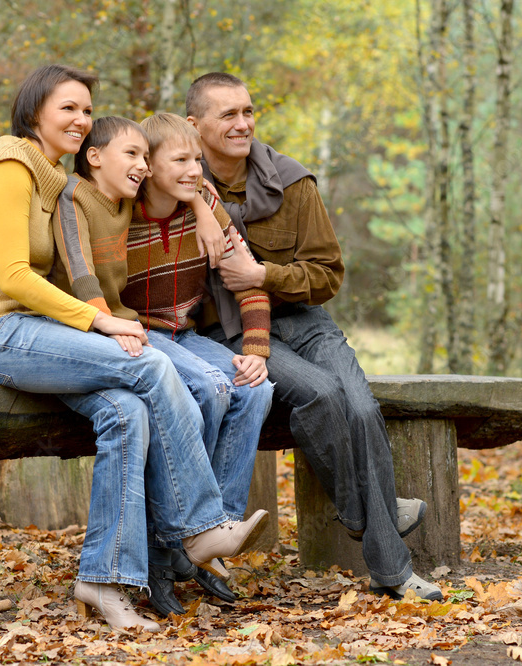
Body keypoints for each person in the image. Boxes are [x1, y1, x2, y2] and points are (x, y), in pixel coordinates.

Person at [0, 65, 267, 633]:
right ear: (34, 111)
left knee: (128, 412)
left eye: (87, 111)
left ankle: (105, 577)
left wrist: (197, 206)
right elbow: (15, 277)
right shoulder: (9, 168)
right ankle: (198, 526)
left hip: (37, 335)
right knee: (153, 363)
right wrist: (102, 322)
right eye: (67, 108)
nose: (80, 120)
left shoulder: (53, 179)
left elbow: (168, 183)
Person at [185, 72, 442, 601]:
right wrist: (197, 208)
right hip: (231, 333)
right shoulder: (176, 181)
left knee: (363, 408)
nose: (242, 124)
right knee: (321, 394)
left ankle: (367, 529)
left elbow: (328, 275)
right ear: (194, 125)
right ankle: (387, 549)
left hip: (305, 321)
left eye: (248, 112)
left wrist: (265, 276)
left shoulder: (292, 182)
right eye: (227, 115)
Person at [52, 113, 273, 617]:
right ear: (149, 168)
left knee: (256, 389)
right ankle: (173, 544)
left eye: (198, 160)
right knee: (213, 389)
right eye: (182, 160)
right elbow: (87, 265)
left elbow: (249, 278)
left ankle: (212, 539)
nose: (196, 170)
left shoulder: (207, 203)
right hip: (140, 329)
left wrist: (256, 350)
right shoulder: (120, 210)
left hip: (187, 334)